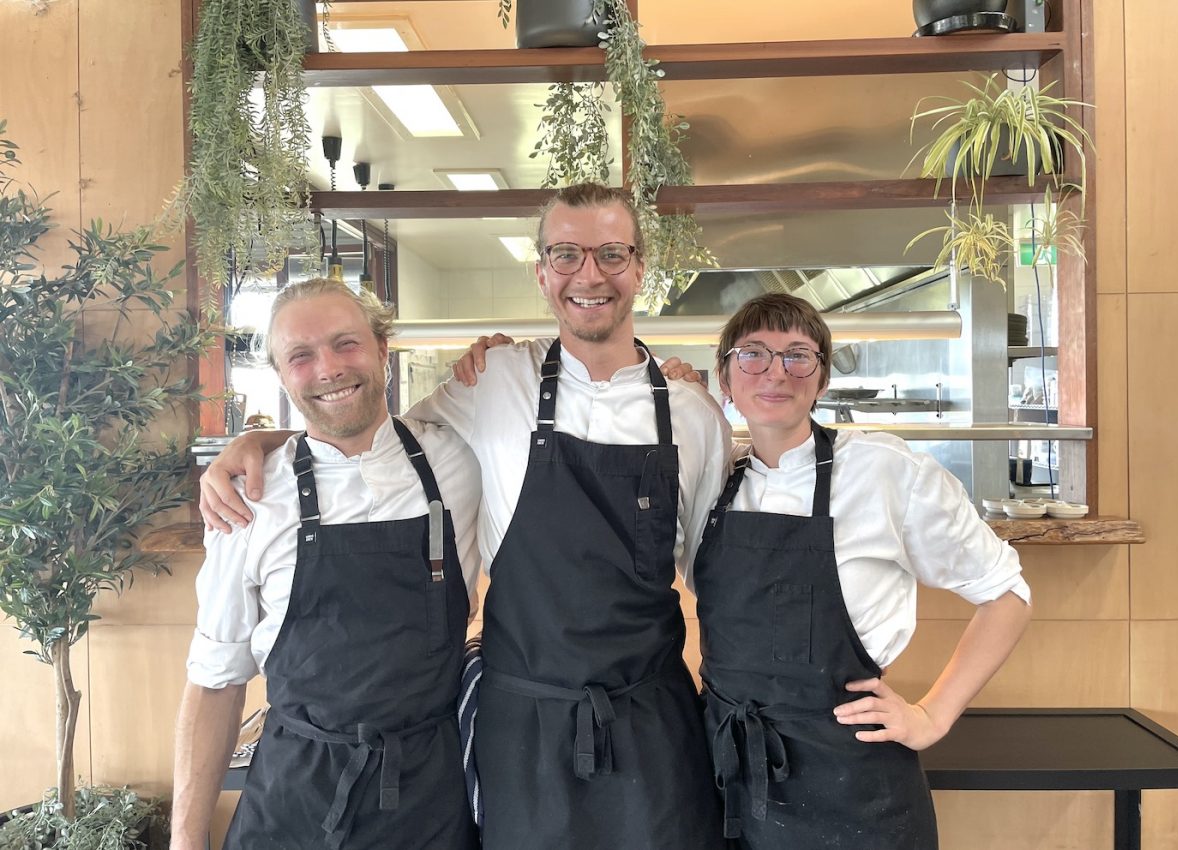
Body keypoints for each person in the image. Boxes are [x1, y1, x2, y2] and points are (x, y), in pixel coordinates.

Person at [197, 184, 732, 850]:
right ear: (541, 272)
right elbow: (365, 436)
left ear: (639, 268)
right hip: (522, 727)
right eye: (565, 254)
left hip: (652, 721)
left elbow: (717, 587)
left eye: (611, 253)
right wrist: (265, 444)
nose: (588, 274)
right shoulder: (496, 381)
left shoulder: (693, 416)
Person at [693, 292, 1032, 849]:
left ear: (821, 380)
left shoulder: (886, 473)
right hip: (728, 775)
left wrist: (933, 715)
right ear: (725, 380)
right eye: (752, 354)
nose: (776, 372)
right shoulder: (711, 486)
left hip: (853, 786)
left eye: (798, 355)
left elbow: (1007, 594)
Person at [171, 279, 483, 850]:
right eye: (301, 356)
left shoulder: (459, 458)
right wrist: (187, 842)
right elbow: (216, 682)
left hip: (431, 800)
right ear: (281, 374)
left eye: (346, 344)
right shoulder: (250, 499)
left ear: (383, 349)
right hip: (294, 800)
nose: (329, 369)